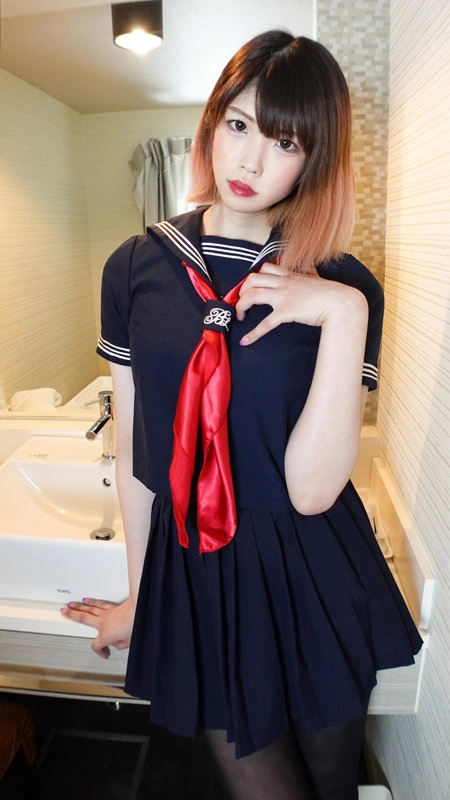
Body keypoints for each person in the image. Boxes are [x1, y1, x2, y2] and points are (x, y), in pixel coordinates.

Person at [62, 30, 423, 799]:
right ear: (212, 124)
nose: (251, 161)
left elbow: (313, 491)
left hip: (314, 570)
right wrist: (141, 596)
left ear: (314, 159)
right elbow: (137, 453)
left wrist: (344, 313)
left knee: (333, 780)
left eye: (284, 142)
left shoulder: (344, 283)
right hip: (201, 573)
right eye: (238, 125)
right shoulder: (134, 268)